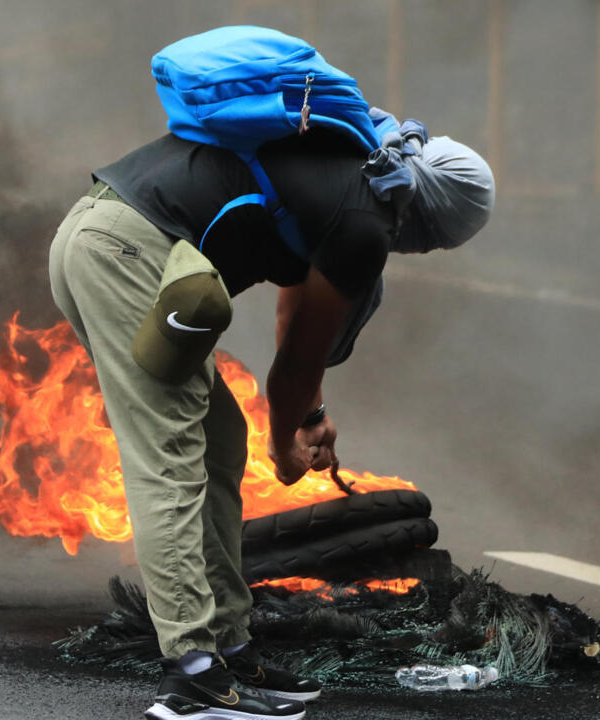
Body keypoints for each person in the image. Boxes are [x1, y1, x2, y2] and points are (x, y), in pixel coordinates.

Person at [47, 65, 493, 720]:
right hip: (124, 253)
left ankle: (229, 647)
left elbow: (295, 316)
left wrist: (307, 414)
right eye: (435, 241)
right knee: (168, 460)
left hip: (111, 240)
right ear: (428, 219)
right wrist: (289, 444)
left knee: (219, 439)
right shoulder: (367, 221)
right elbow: (295, 361)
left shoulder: (355, 158)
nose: (422, 251)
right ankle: (192, 676)